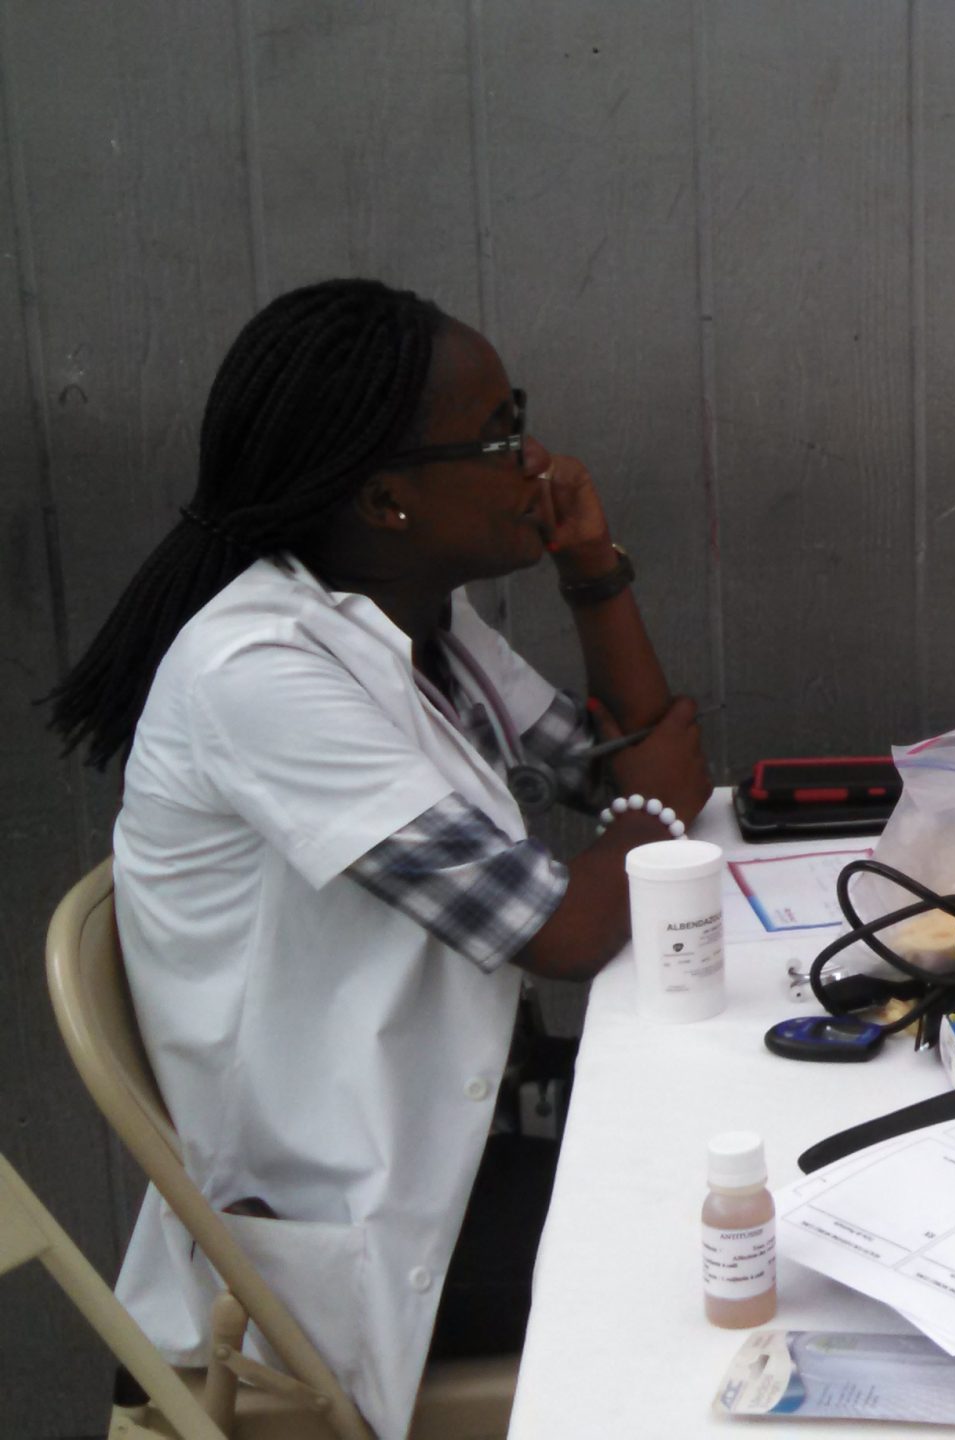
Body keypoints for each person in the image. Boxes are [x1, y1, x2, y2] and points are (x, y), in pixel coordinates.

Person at [46, 278, 715, 1438]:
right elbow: (565, 929)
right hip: (359, 1238)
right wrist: (655, 811)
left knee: (752, 1140)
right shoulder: (263, 675)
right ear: (388, 499)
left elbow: (616, 766)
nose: (535, 461)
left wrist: (592, 569)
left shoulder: (415, 623)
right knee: (737, 1239)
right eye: (499, 435)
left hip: (449, 1158)